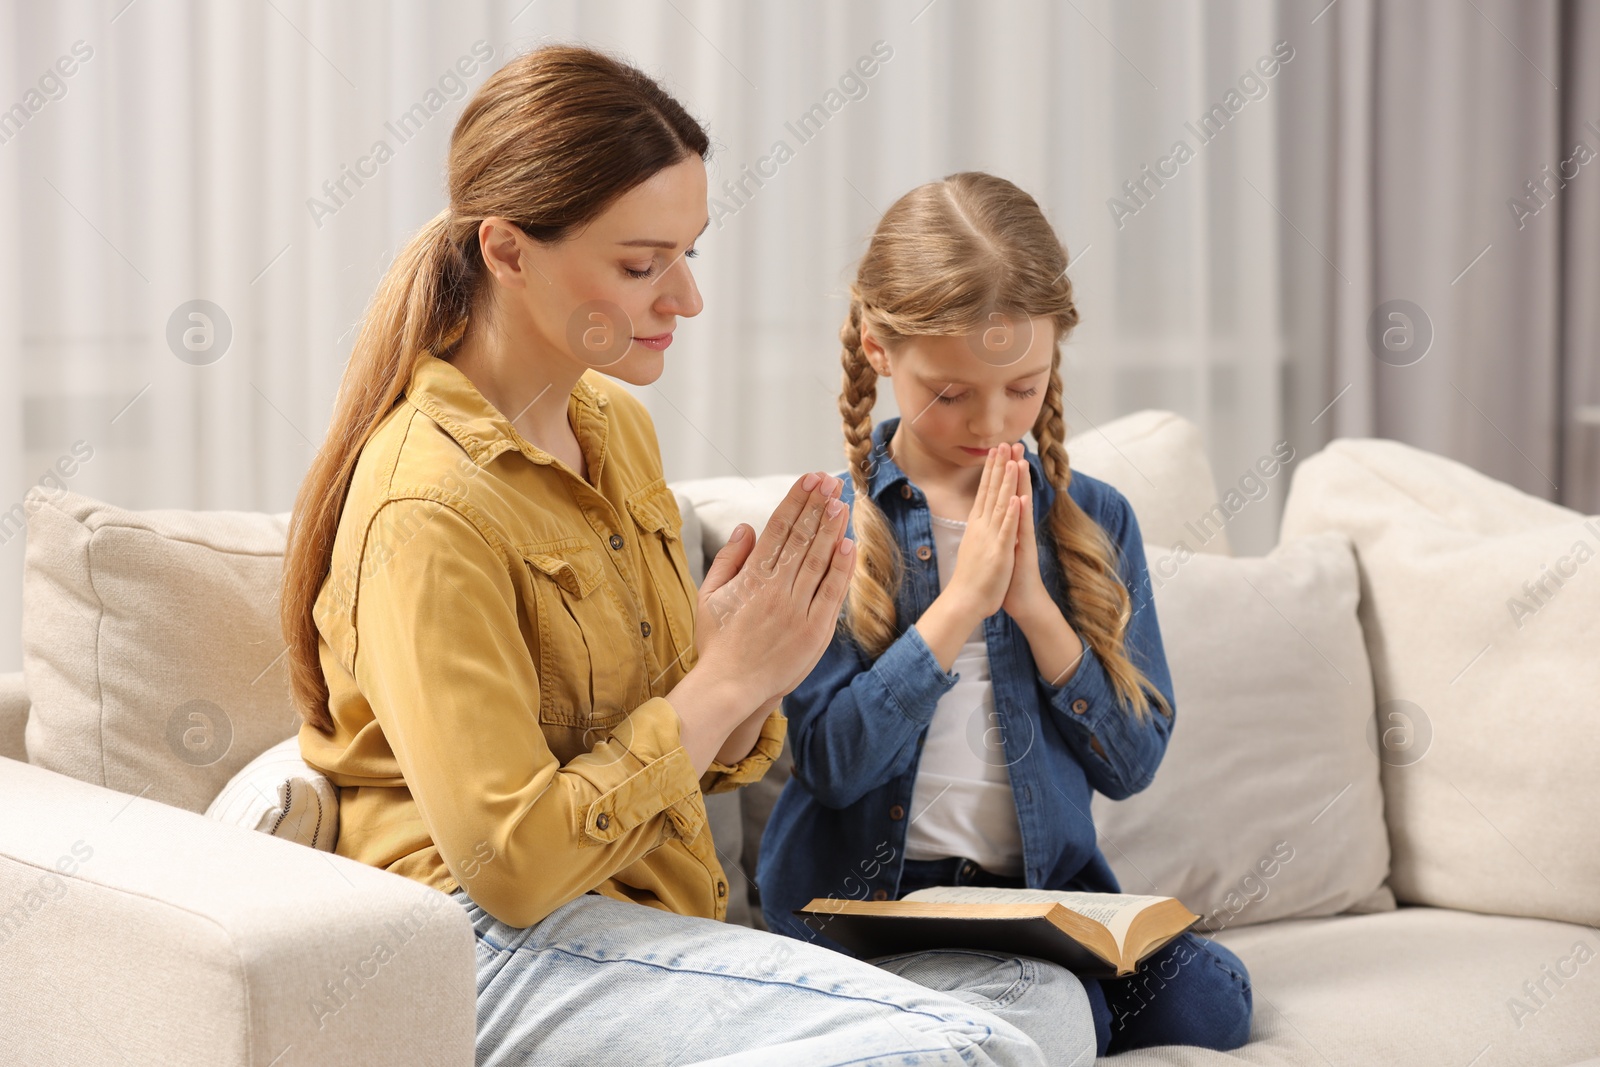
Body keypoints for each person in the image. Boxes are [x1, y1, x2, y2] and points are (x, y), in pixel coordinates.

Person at [278, 46, 1095, 1066]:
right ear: (507, 248)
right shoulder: (427, 505)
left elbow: (673, 741)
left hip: (653, 927)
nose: (684, 301)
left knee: (1044, 1003)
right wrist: (725, 677)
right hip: (497, 949)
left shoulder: (614, 429)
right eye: (639, 264)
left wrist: (748, 665)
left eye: (687, 255)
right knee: (974, 1047)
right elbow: (511, 864)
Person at [756, 171, 1254, 1057]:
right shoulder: (835, 522)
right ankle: (959, 1014)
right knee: (1065, 1015)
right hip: (875, 910)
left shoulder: (1096, 520)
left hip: (1035, 903)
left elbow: (1134, 764)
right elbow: (832, 765)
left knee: (1209, 1001)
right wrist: (960, 604)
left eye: (1022, 388)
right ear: (877, 348)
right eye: (951, 393)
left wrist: (1030, 604)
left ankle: (977, 1017)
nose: (992, 422)